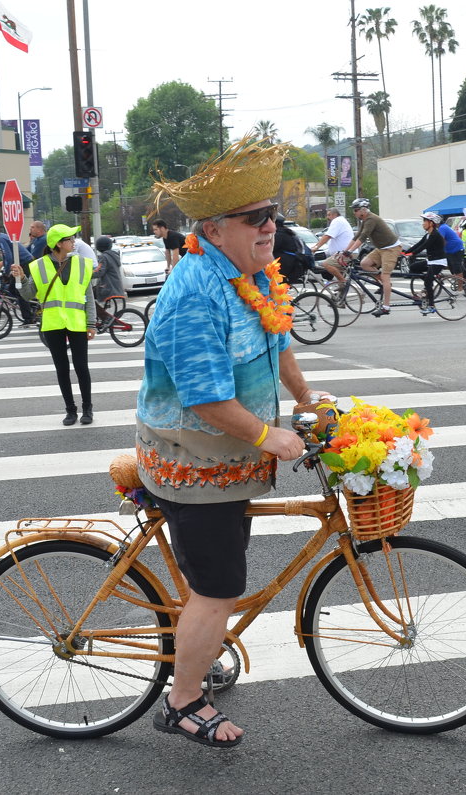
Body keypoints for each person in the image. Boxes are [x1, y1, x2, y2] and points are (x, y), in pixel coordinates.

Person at [142, 136, 327, 748]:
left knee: (212, 581)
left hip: (229, 458)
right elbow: (204, 398)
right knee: (219, 588)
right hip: (193, 459)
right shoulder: (196, 290)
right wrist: (268, 435)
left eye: (272, 213)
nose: (271, 225)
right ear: (216, 229)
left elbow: (278, 344)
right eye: (256, 218)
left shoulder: (251, 276)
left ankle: (197, 649)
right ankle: (183, 699)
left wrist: (305, 401)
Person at [12, 223, 96, 426]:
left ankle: (87, 408)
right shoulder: (38, 265)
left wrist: (91, 323)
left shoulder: (82, 264)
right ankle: (70, 410)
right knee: (61, 368)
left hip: (77, 323)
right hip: (52, 323)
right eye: (69, 239)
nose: (73, 242)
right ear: (58, 244)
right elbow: (28, 294)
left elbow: (89, 296)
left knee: (81, 367)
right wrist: (21, 278)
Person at [338, 198, 401, 317]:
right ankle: (383, 284)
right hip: (381, 248)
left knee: (385, 275)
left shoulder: (371, 219)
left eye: (356, 210)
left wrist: (350, 251)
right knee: (365, 263)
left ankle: (386, 307)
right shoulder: (364, 220)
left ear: (363, 210)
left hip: (391, 248)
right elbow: (357, 235)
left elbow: (363, 237)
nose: (354, 212)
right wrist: (346, 251)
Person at [0, 220, 36, 325]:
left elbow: (9, 257)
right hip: (21, 263)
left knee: (19, 290)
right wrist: (5, 271)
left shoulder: (1, 238)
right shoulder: (2, 238)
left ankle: (29, 318)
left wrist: (6, 273)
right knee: (11, 289)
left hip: (24, 263)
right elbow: (6, 258)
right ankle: (31, 306)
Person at [401, 212, 450, 315]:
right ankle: (431, 279)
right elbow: (418, 244)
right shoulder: (428, 235)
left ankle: (432, 306)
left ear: (431, 223)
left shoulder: (435, 235)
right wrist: (405, 252)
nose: (423, 224)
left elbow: (424, 246)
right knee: (414, 268)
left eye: (424, 221)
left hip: (439, 262)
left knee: (427, 283)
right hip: (431, 261)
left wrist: (413, 253)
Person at [92, 234, 124, 327]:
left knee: (87, 297)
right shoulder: (113, 255)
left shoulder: (104, 257)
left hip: (107, 287)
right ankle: (103, 317)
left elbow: (99, 272)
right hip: (115, 286)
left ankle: (105, 317)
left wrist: (86, 275)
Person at [311, 207, 355, 272]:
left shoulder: (337, 221)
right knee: (340, 272)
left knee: (326, 264)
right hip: (344, 253)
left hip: (345, 253)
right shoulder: (341, 220)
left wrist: (316, 247)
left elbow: (327, 236)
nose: (327, 217)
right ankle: (342, 281)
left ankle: (342, 281)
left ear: (335, 214)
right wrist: (315, 246)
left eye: (329, 215)